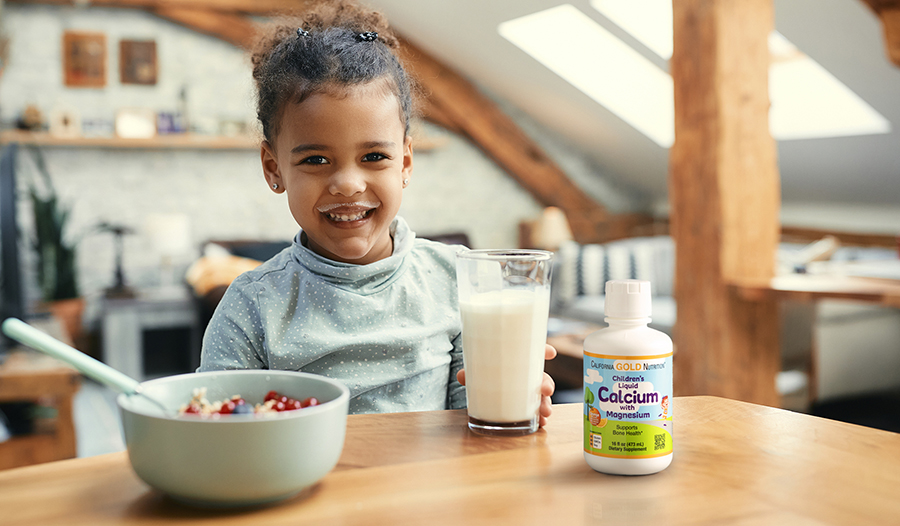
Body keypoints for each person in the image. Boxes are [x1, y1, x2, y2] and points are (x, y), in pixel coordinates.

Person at [199, 0, 556, 424]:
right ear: (274, 168)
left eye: (373, 156)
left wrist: (512, 404)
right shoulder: (251, 306)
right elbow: (219, 431)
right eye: (315, 160)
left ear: (405, 163)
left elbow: (475, 429)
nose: (348, 184)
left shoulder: (459, 281)